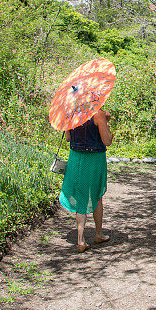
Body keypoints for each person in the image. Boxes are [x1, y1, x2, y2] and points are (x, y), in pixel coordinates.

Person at [59, 108, 113, 252]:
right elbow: (107, 141)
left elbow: (68, 138)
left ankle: (80, 240)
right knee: (97, 196)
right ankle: (98, 234)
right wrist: (106, 122)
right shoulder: (98, 114)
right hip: (94, 159)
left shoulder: (70, 113)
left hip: (76, 158)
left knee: (80, 196)